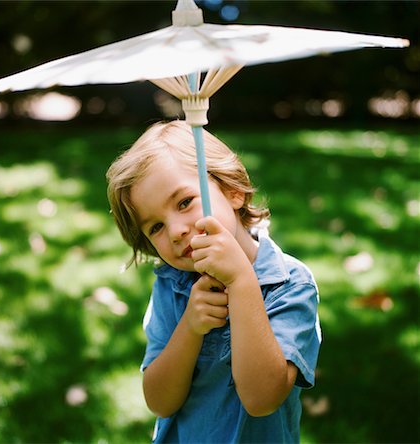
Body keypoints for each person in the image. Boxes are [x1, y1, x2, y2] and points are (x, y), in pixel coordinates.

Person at [106, 120, 321, 443]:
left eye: (184, 202)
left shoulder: (289, 285)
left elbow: (262, 399)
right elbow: (159, 401)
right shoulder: (172, 286)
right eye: (156, 228)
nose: (176, 230)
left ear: (232, 191)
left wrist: (241, 282)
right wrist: (190, 326)